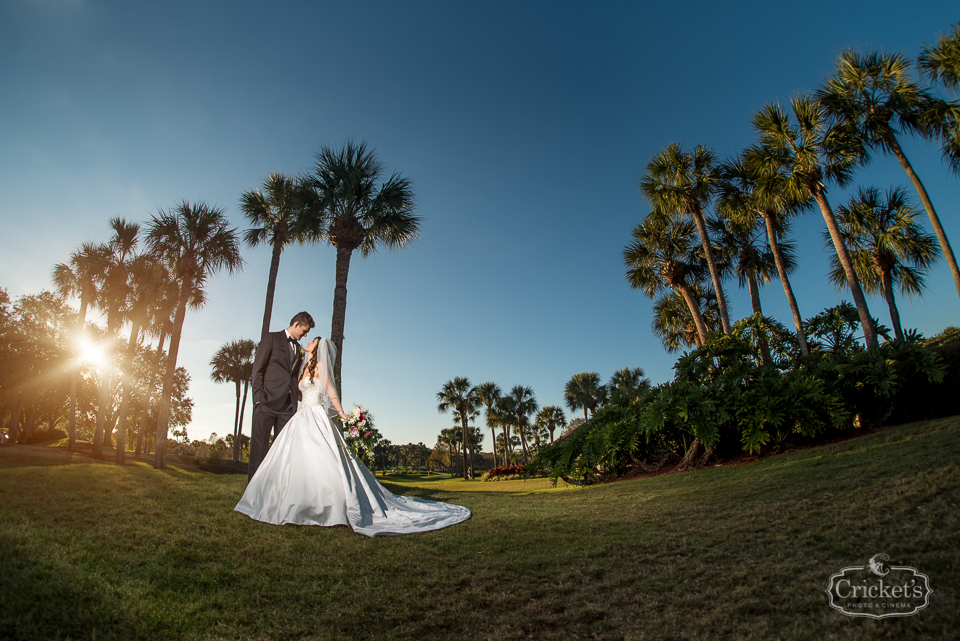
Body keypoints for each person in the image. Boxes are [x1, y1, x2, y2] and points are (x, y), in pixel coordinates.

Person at [235, 336, 471, 537]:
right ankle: (290, 499)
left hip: (316, 415)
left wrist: (341, 413)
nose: (307, 342)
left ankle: (326, 504)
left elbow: (331, 392)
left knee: (320, 458)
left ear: (317, 348)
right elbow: (298, 391)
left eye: (312, 341)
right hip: (300, 416)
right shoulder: (302, 366)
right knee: (293, 459)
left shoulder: (321, 369)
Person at [248, 311, 315, 481]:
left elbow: (293, 377)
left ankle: (273, 493)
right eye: (304, 331)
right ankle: (252, 496)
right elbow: (258, 371)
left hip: (288, 407)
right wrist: (258, 400)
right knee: (259, 449)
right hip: (267, 403)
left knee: (282, 452)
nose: (306, 335)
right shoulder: (271, 339)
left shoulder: (300, 350)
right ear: (296, 325)